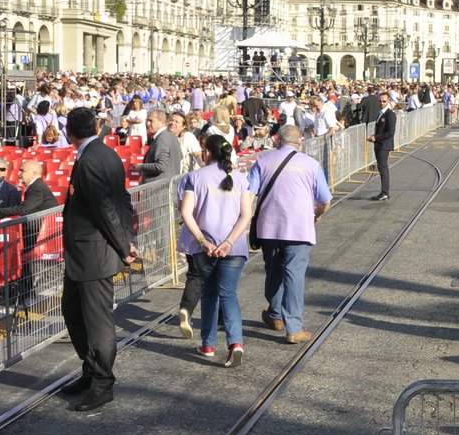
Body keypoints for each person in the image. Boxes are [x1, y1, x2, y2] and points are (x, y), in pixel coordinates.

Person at [59, 106, 137, 412]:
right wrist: (126, 239)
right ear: (94, 126)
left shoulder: (92, 159)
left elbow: (107, 207)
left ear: (69, 132)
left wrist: (124, 245)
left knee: (97, 320)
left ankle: (102, 382)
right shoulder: (103, 154)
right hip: (85, 252)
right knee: (73, 311)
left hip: (95, 252)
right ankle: (91, 370)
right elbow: (122, 200)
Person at [248, 124, 332, 343]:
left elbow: (249, 193)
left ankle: (275, 315)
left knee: (273, 270)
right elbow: (325, 200)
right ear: (300, 141)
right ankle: (293, 327)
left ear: (277, 140)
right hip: (299, 227)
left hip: (268, 226)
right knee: (294, 274)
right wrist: (316, 214)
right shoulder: (311, 164)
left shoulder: (262, 160)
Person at [180, 135, 254, 365]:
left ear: (207, 152)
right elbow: (246, 215)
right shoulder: (241, 179)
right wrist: (230, 242)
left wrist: (203, 241)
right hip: (234, 247)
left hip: (205, 247)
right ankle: (235, 343)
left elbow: (185, 213)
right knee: (229, 294)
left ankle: (208, 344)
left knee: (209, 293)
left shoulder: (194, 177)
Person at [0, 159, 58, 311]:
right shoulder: (34, 187)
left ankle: (26, 295)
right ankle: (24, 293)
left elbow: (24, 210)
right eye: (19, 170)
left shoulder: (36, 188)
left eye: (23, 171)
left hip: (40, 235)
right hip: (35, 232)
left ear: (34, 173)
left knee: (23, 257)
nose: (19, 173)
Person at [137, 109, 182, 180]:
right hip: (167, 185)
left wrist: (141, 167)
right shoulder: (172, 136)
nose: (147, 124)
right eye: (147, 121)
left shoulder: (162, 139)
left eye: (151, 121)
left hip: (158, 187)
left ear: (162, 122)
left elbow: (161, 166)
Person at [371, 91, 397, 201]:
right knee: (382, 167)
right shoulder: (380, 113)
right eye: (380, 101)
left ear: (388, 101)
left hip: (384, 145)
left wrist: (376, 138)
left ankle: (385, 192)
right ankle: (384, 191)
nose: (381, 103)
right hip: (379, 144)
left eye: (384, 101)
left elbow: (390, 132)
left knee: (383, 168)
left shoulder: (390, 114)